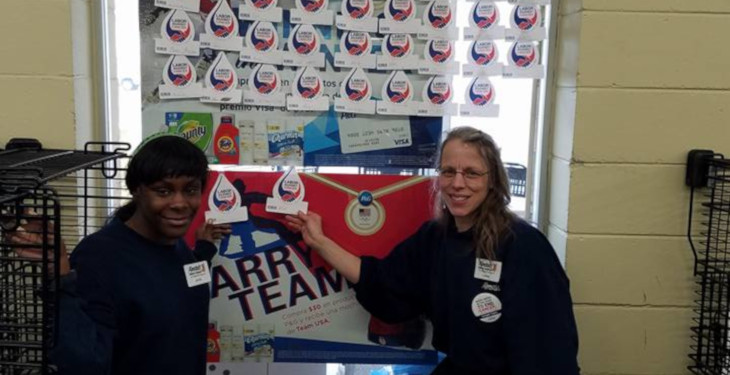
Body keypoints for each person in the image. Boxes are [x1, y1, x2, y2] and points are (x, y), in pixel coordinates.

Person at [286, 126, 580, 375]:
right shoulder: (436, 238)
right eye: (448, 171)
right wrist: (320, 243)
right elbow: (384, 284)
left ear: (493, 181)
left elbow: (550, 351)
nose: (458, 183)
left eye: (472, 173)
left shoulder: (524, 247)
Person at [6, 135, 231, 375]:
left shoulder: (177, 246)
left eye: (191, 190)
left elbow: (181, 284)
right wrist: (60, 276)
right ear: (137, 191)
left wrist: (204, 249)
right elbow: (83, 364)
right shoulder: (99, 257)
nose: (180, 203)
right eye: (163, 191)